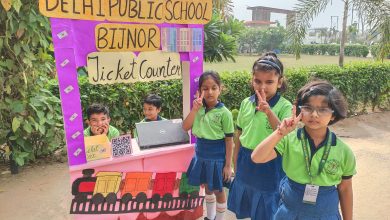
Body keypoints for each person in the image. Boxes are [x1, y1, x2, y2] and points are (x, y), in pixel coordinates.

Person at [251, 80, 356, 220]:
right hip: (289, 212)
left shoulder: (344, 152)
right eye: (308, 108)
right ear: (300, 110)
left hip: (326, 214)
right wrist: (280, 133)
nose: (314, 114)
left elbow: (345, 189)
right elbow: (257, 157)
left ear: (334, 115)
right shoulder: (289, 140)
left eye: (323, 109)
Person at [227, 52, 292, 220]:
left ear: (279, 82)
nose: (262, 87)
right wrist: (235, 164)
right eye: (258, 81)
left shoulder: (285, 106)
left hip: (270, 165)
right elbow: (239, 136)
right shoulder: (245, 103)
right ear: (252, 80)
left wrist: (268, 111)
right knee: (246, 206)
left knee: (267, 210)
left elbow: (283, 132)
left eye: (269, 82)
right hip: (245, 163)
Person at [183, 71, 234, 220]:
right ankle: (210, 217)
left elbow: (229, 140)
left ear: (220, 89)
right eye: (205, 88)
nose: (210, 92)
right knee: (206, 187)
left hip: (217, 157)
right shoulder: (197, 109)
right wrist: (194, 109)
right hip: (201, 154)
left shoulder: (225, 113)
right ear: (199, 91)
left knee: (218, 190)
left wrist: (228, 165)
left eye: (214, 88)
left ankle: (219, 218)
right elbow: (185, 127)